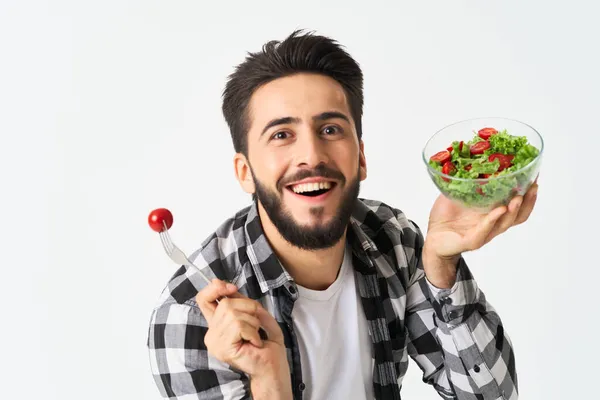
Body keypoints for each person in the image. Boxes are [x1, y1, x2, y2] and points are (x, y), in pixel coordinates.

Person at [147, 29, 537, 400]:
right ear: (245, 172)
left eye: (330, 129)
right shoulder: (188, 318)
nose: (312, 156)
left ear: (361, 157)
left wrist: (441, 266)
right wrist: (268, 380)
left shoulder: (394, 241)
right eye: (281, 135)